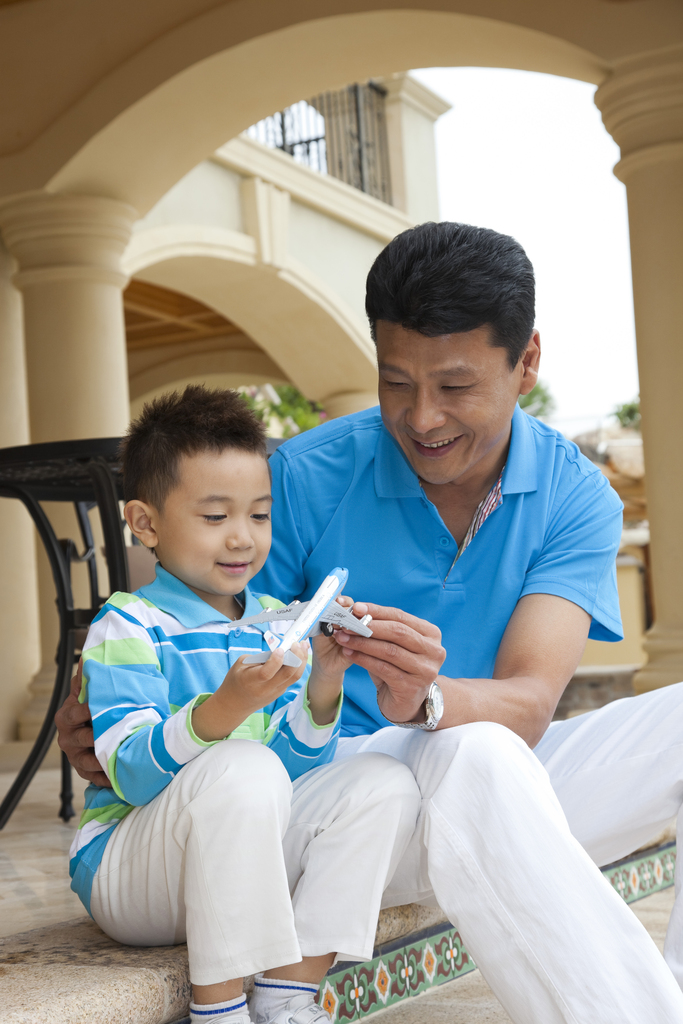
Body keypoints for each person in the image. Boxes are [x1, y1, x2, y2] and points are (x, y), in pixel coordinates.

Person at [58, 223, 683, 1024]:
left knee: (491, 742)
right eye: (395, 382)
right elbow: (201, 651)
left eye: (454, 386)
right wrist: (116, 723)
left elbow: (527, 703)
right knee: (474, 748)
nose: (421, 418)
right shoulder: (303, 477)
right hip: (330, 804)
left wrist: (423, 697)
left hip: (497, 788)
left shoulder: (574, 496)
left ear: (525, 363)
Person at [69, 385, 421, 1024]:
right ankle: (220, 1009)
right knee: (240, 766)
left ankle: (289, 995)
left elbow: (290, 777)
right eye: (214, 517)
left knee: (382, 782)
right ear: (146, 523)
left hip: (235, 861)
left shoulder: (273, 624)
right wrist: (223, 711)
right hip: (132, 872)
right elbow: (128, 770)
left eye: (258, 515)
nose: (242, 538)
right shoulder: (128, 625)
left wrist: (323, 686)